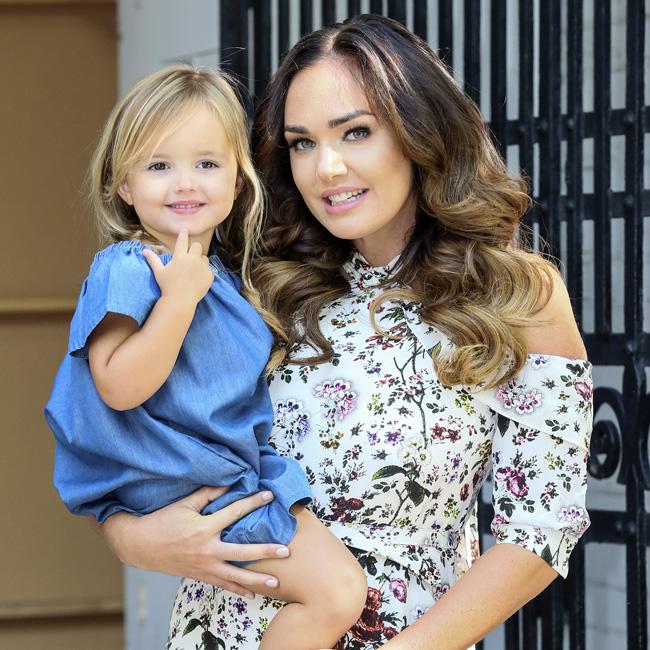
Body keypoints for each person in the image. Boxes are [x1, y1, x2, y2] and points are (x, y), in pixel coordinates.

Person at [96, 15, 593, 650]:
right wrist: (131, 538)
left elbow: (543, 526)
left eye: (356, 132)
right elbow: (129, 432)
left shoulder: (516, 293)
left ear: (420, 132)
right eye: (302, 143)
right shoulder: (251, 283)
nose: (326, 167)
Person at [44, 64, 368, 650]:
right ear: (123, 185)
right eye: (158, 166)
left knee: (336, 589)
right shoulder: (132, 266)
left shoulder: (221, 275)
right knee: (337, 592)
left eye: (207, 164)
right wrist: (177, 302)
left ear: (238, 182)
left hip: (224, 475)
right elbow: (117, 384)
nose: (185, 184)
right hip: (187, 479)